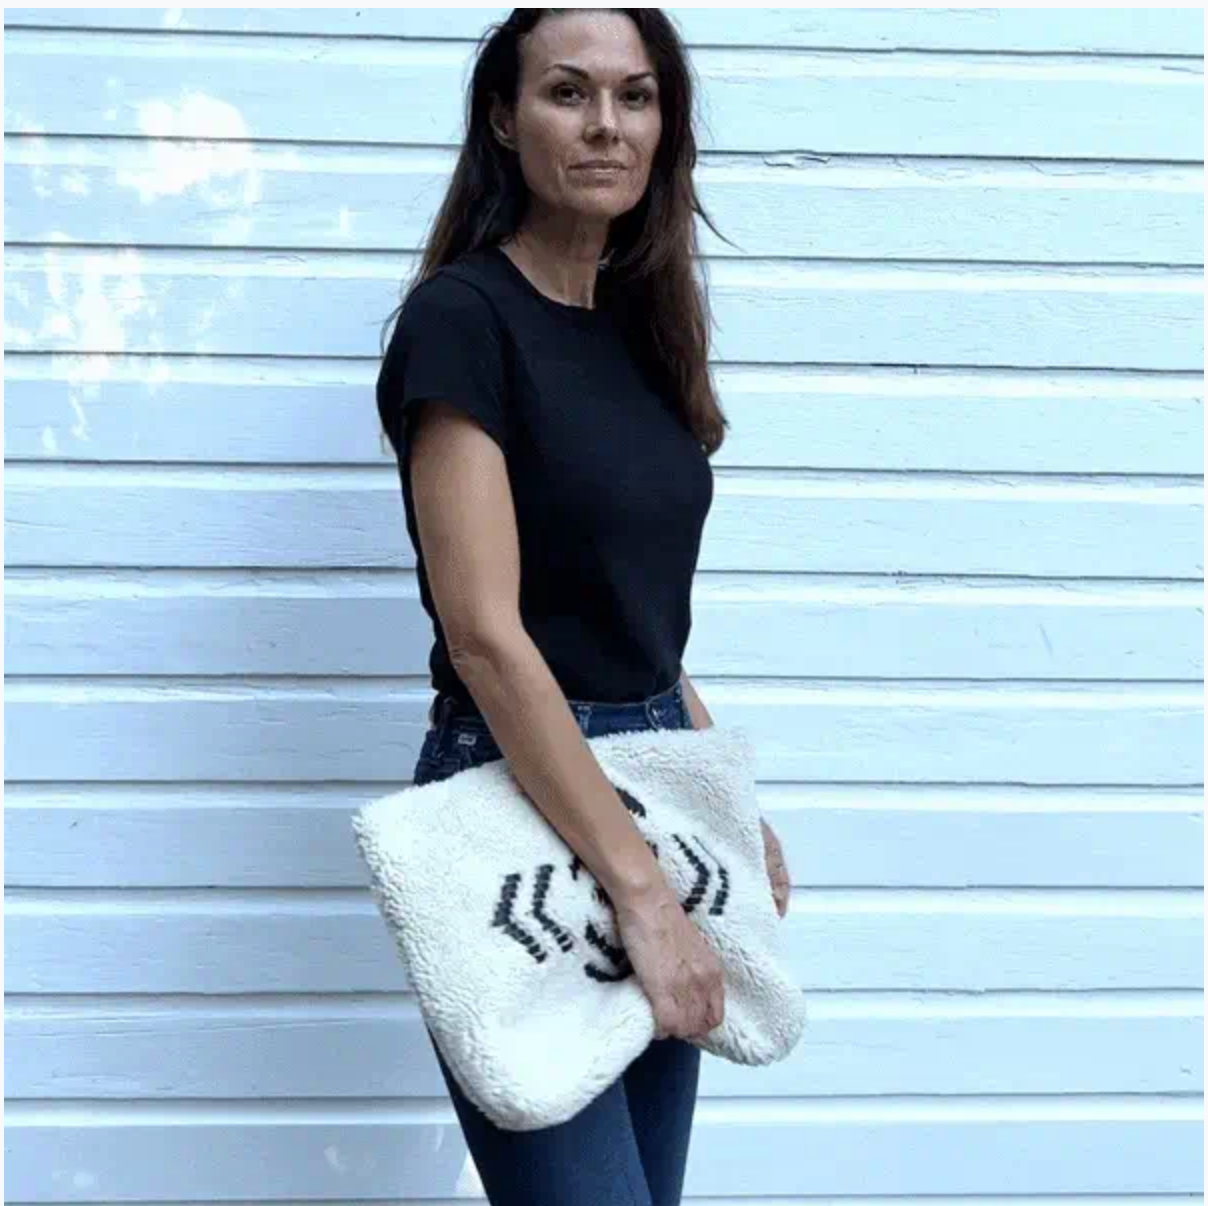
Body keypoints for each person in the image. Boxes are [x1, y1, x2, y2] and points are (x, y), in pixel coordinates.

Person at [375, 10, 791, 1205]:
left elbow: (639, 612)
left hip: (655, 790)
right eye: (567, 93)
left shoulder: (643, 329)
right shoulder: (463, 320)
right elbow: (487, 638)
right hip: (519, 793)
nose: (607, 123)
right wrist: (643, 895)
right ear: (503, 120)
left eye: (637, 95)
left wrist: (721, 794)